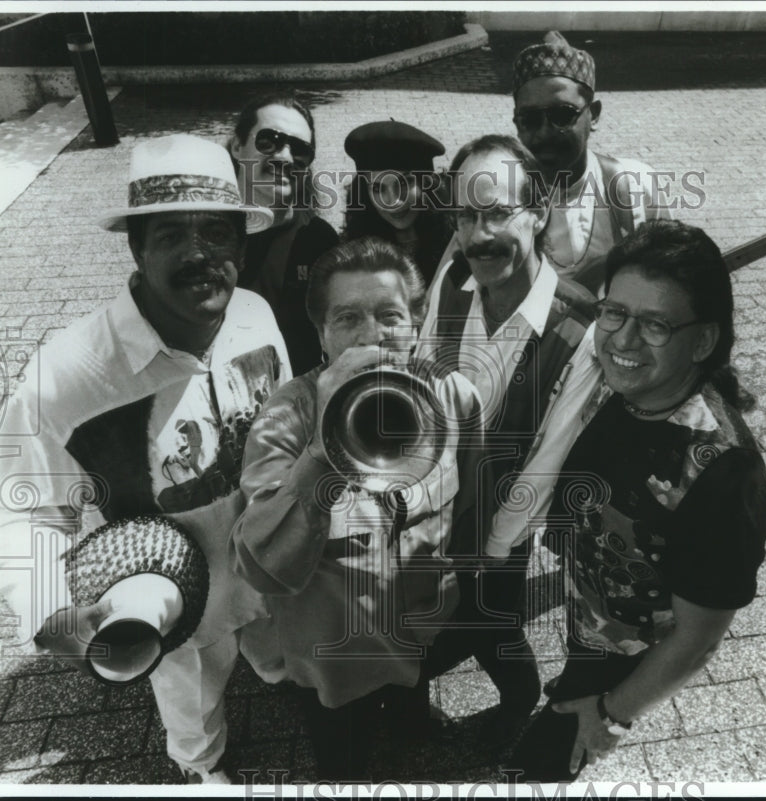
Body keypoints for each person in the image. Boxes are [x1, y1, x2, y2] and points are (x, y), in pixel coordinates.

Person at [0, 134, 292, 784]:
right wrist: (57, 614)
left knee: (273, 650)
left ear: (242, 243)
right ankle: (198, 769)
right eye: (171, 234)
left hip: (268, 572)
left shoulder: (257, 316)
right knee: (195, 703)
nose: (200, 254)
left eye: (217, 232)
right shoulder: (68, 376)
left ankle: (273, 671)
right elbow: (15, 510)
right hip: (173, 607)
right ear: (136, 245)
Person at [499, 219, 766, 782]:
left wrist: (611, 715)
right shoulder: (624, 382)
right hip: (592, 616)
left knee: (538, 765)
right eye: (615, 312)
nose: (622, 340)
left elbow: (697, 639)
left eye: (655, 324)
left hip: (623, 657)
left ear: (703, 341)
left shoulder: (721, 475)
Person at [229, 236, 483, 780]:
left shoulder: (455, 396)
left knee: (412, 708)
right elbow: (262, 564)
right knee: (343, 760)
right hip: (335, 660)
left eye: (390, 315)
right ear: (320, 333)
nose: (372, 335)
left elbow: (469, 505)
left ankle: (414, 720)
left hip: (418, 627)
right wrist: (324, 447)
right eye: (347, 319)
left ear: (415, 321)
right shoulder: (284, 418)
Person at [416, 134, 596, 748]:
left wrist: (489, 551)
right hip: (430, 508)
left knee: (491, 620)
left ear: (539, 210)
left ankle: (518, 702)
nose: (477, 236)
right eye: (465, 215)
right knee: (427, 620)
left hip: (500, 525)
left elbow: (546, 462)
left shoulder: (577, 327)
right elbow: (419, 380)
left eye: (496, 212)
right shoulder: (450, 284)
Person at [511, 31, 671, 292]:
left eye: (562, 115)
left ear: (593, 115)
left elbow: (667, 282)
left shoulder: (636, 187)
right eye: (529, 119)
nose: (543, 132)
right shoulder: (499, 198)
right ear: (516, 122)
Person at [229, 94, 339, 374]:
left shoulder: (319, 242)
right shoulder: (208, 237)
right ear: (237, 146)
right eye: (269, 141)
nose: (286, 157)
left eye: (300, 150)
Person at [343, 120, 452, 286]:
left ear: (425, 184)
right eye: (378, 189)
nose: (392, 201)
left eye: (403, 184)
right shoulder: (353, 253)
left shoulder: (455, 240)